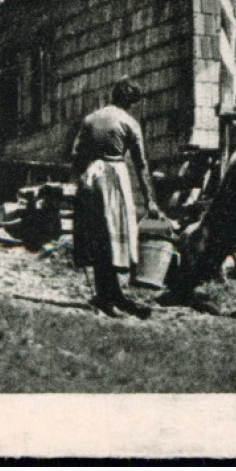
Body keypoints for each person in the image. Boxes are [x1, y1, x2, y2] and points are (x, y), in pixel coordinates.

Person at [70, 78, 164, 319]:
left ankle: (113, 294)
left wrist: (83, 181)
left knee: (99, 234)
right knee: (114, 234)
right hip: (114, 176)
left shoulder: (90, 119)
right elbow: (141, 165)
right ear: (129, 102)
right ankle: (106, 297)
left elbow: (76, 154)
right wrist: (150, 200)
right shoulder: (129, 123)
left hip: (91, 178)